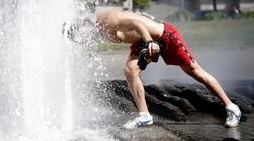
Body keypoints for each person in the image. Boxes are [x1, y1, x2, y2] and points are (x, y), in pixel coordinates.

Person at [96, 10, 241, 129]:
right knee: (130, 70)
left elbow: (137, 23)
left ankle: (232, 107)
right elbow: (121, 36)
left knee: (195, 71)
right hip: (141, 41)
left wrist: (150, 42)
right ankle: (144, 116)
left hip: (163, 36)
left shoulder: (106, 20)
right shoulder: (98, 29)